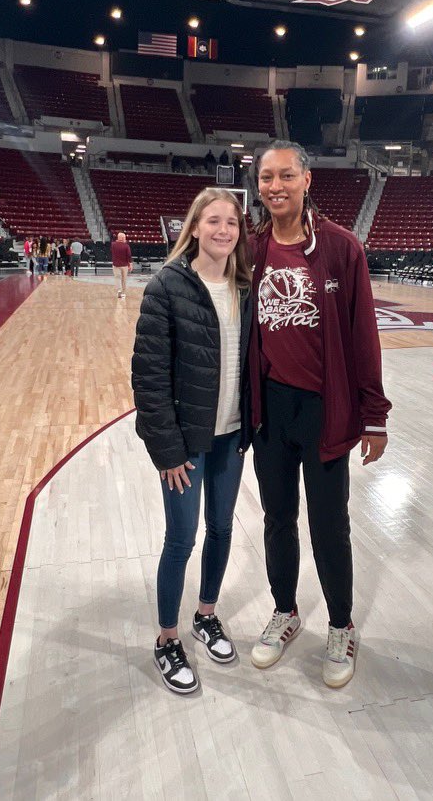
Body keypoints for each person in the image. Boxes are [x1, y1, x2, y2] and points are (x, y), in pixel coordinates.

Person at [249, 141, 391, 689]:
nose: (276, 186)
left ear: (307, 179)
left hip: (326, 409)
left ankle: (340, 625)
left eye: (286, 175)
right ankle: (285, 612)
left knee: (329, 525)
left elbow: (363, 337)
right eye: (266, 177)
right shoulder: (254, 247)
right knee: (277, 518)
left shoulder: (340, 247)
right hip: (271, 409)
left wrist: (373, 416)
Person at [132, 187, 253, 695]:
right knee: (181, 540)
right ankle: (166, 639)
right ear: (195, 227)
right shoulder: (166, 286)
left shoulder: (246, 286)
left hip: (230, 437)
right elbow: (148, 376)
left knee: (222, 529)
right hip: (185, 443)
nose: (224, 230)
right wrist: (167, 449)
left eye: (232, 222)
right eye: (214, 221)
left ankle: (206, 614)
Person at [110, 232, 133, 299]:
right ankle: (123, 293)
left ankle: (119, 290)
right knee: (124, 279)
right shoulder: (126, 246)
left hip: (116, 264)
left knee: (117, 278)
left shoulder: (113, 244)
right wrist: (130, 264)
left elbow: (112, 251)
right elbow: (129, 255)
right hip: (124, 265)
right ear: (123, 238)